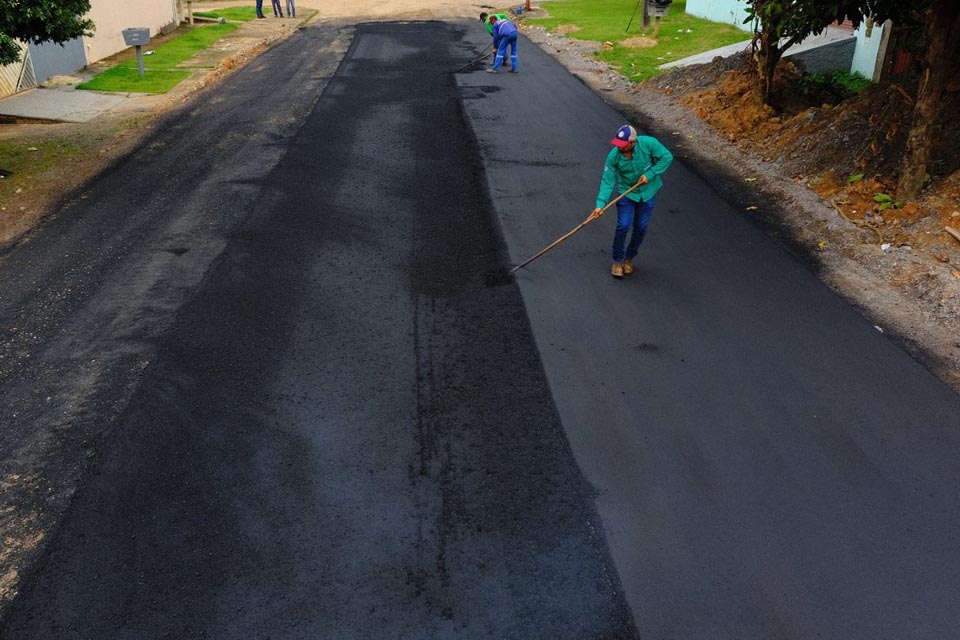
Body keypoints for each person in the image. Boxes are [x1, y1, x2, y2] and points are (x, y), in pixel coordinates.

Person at [590, 125, 673, 278]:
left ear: (633, 142)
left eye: (623, 144)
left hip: (648, 192)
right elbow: (607, 181)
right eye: (618, 144)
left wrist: (651, 173)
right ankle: (617, 260)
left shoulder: (649, 144)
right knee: (623, 225)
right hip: (627, 193)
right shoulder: (613, 156)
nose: (619, 147)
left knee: (641, 227)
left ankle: (629, 258)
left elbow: (667, 157)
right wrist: (600, 205)